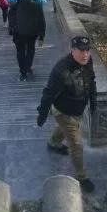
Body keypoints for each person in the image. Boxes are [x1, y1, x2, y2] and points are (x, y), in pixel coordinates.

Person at [37, 35, 97, 193]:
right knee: (76, 144)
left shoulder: (87, 61)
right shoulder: (61, 70)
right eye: (81, 51)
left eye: (87, 50)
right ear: (72, 50)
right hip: (63, 111)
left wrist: (93, 102)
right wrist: (42, 115)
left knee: (65, 129)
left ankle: (53, 143)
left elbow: (91, 81)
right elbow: (48, 94)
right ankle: (82, 176)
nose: (85, 54)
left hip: (78, 108)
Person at [8, 0, 46, 81]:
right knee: (30, 49)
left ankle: (23, 72)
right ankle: (28, 67)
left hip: (19, 33)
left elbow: (11, 18)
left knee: (20, 52)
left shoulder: (15, 5)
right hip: (32, 33)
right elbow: (42, 22)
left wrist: (12, 29)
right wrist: (41, 36)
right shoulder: (37, 5)